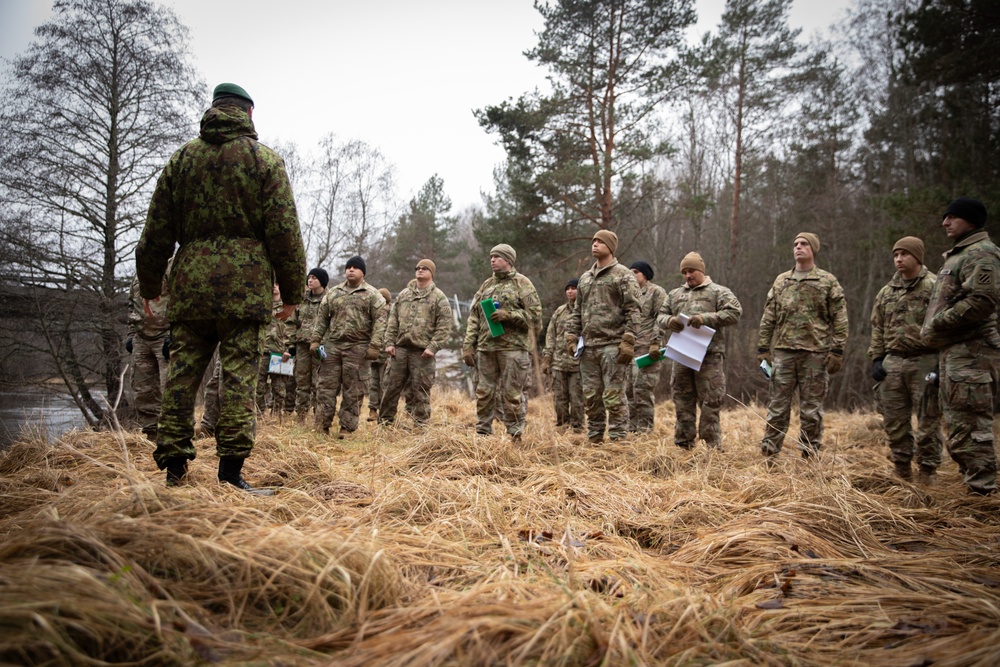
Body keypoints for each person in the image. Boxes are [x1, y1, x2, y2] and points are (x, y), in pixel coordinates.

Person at [136, 82, 306, 492]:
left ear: (214, 111)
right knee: (239, 382)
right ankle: (231, 476)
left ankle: (174, 471)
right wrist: (293, 292)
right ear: (248, 113)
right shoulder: (263, 160)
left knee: (181, 379)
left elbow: (155, 230)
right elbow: (285, 234)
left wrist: (149, 284)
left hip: (190, 286)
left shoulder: (182, 160)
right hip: (245, 290)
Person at [921, 197, 1000, 495]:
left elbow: (982, 301)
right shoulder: (960, 254)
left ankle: (982, 495)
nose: (945, 222)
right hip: (955, 352)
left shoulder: (982, 254)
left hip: (972, 353)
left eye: (952, 217)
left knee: (971, 426)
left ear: (970, 220)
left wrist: (939, 322)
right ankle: (975, 488)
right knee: (957, 425)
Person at [757, 232, 847, 460]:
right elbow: (769, 316)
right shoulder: (782, 280)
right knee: (777, 407)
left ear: (813, 249)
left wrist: (837, 349)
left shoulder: (827, 281)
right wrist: (763, 348)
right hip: (784, 353)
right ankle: (769, 454)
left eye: (804, 244)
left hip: (815, 355)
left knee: (811, 410)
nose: (798, 247)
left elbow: (840, 317)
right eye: (795, 244)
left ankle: (809, 455)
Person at [868, 237, 942, 483]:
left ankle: (928, 473)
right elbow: (877, 327)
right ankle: (901, 470)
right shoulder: (887, 292)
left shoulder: (935, 287)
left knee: (928, 422)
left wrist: (942, 364)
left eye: (904, 254)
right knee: (894, 422)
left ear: (917, 257)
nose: (898, 259)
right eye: (895, 255)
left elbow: (946, 327)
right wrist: (877, 358)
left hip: (925, 361)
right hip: (893, 363)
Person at [659, 252, 742, 449]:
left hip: (709, 356)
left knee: (711, 402)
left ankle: (711, 446)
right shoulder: (675, 294)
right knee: (682, 401)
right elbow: (660, 316)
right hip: (682, 355)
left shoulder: (718, 292)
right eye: (685, 272)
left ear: (701, 271)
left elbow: (734, 312)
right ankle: (683, 445)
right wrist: (669, 321)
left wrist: (707, 318)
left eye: (692, 271)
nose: (688, 276)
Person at [566, 230, 641, 443]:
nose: (595, 245)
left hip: (613, 346)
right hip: (589, 348)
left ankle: (618, 442)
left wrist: (628, 340)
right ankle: (595, 439)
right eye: (593, 241)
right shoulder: (585, 278)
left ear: (610, 246)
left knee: (614, 396)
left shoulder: (623, 274)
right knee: (591, 398)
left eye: (600, 242)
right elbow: (577, 311)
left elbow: (634, 309)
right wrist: (571, 336)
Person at [462, 244, 542, 441]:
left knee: (512, 394)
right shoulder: (486, 285)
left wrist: (510, 315)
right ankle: (483, 433)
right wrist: (468, 345)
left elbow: (536, 318)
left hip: (513, 349)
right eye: (491, 256)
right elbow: (474, 317)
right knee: (484, 393)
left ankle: (515, 435)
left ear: (508, 260)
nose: (492, 260)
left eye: (497, 256)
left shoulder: (522, 284)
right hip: (486, 347)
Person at [310, 256, 387, 438]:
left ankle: (347, 428)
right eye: (348, 267)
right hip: (333, 346)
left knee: (353, 390)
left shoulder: (372, 294)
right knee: (325, 388)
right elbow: (322, 318)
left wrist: (375, 346)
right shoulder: (334, 293)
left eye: (355, 268)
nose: (351, 270)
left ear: (363, 272)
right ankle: (322, 425)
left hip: (358, 348)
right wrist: (316, 340)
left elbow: (380, 322)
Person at [379, 259, 453, 427]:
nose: (420, 270)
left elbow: (444, 326)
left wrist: (433, 347)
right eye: (418, 268)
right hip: (400, 350)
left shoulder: (439, 298)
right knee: (390, 387)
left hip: (422, 353)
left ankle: (420, 426)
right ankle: (385, 424)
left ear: (431, 273)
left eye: (424, 268)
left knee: (420, 391)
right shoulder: (404, 295)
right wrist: (389, 343)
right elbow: (393, 321)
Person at [126, 263, 170, 441]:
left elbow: (184, 301)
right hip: (141, 338)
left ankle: (177, 439)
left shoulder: (171, 267)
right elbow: (132, 304)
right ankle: (152, 437)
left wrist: (175, 334)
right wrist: (130, 335)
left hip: (165, 337)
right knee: (143, 390)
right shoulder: (139, 272)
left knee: (172, 391)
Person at [626, 261, 667, 433]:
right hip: (629, 349)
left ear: (645, 275)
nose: (632, 275)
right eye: (630, 272)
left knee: (642, 391)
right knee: (628, 392)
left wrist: (656, 342)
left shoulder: (656, 292)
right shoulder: (628, 294)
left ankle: (644, 432)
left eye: (636, 272)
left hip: (648, 350)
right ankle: (631, 429)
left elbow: (662, 317)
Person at [284, 268, 328, 421]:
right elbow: (291, 323)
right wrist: (290, 346)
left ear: (321, 281)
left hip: (321, 347)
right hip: (302, 346)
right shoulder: (301, 299)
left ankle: (319, 418)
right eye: (309, 277)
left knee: (319, 383)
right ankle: (301, 416)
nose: (310, 280)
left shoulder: (329, 299)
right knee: (301, 382)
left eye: (314, 278)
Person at [542, 278, 584, 432]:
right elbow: (550, 336)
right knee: (559, 399)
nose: (570, 291)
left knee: (577, 399)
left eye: (574, 288)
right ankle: (562, 427)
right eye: (568, 288)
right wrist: (547, 358)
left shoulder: (584, 311)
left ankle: (578, 429)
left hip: (578, 364)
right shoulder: (559, 312)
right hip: (559, 363)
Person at [255, 283, 289, 417]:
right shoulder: (263, 305)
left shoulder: (287, 308)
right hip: (262, 351)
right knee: (259, 386)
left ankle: (277, 415)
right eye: (272, 283)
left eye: (277, 284)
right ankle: (258, 414)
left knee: (279, 387)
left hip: (280, 353)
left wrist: (289, 349)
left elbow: (292, 329)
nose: (274, 287)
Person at [367, 288, 394, 422]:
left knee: (385, 383)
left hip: (387, 354)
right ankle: (372, 410)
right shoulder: (373, 313)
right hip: (374, 353)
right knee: (373, 383)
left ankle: (383, 411)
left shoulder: (392, 314)